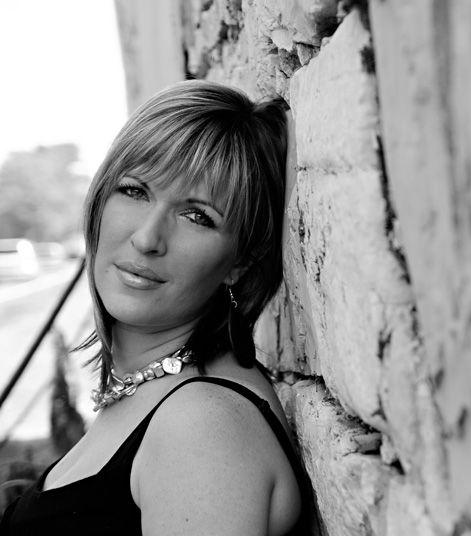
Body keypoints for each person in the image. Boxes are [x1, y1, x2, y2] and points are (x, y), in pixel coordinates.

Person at [0, 80, 310, 535]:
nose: (147, 238)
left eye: (197, 216)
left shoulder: (201, 428)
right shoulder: (157, 392)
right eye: (135, 191)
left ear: (240, 263)